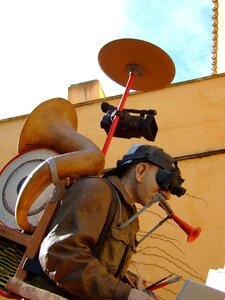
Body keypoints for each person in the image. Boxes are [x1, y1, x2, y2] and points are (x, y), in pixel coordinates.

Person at [30, 143, 186, 300]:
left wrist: (129, 282)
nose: (167, 196)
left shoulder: (129, 215)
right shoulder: (97, 190)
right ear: (141, 171)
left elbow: (101, 263)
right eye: (163, 180)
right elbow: (60, 255)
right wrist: (124, 293)